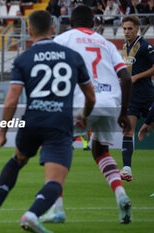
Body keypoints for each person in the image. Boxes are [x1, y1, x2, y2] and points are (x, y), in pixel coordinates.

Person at [0, 10, 96, 233]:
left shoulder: (23, 59)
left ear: (29, 31)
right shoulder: (72, 56)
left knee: (18, 159)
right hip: (59, 124)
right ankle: (32, 214)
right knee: (55, 180)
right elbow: (90, 97)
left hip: (32, 121)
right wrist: (84, 116)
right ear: (53, 29)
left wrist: (2, 134)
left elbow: (12, 99)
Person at [40, 5, 133, 224]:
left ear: (71, 23)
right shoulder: (107, 43)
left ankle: (56, 208)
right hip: (110, 102)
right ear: (94, 23)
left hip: (80, 101)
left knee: (55, 146)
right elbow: (127, 78)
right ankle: (121, 195)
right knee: (101, 150)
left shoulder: (63, 39)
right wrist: (123, 112)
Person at [120, 15, 154, 181]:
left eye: (130, 29)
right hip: (132, 97)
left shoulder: (145, 46)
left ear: (137, 29)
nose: (126, 32)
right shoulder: (124, 46)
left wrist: (137, 77)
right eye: (124, 29)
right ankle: (126, 169)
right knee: (127, 130)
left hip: (147, 96)